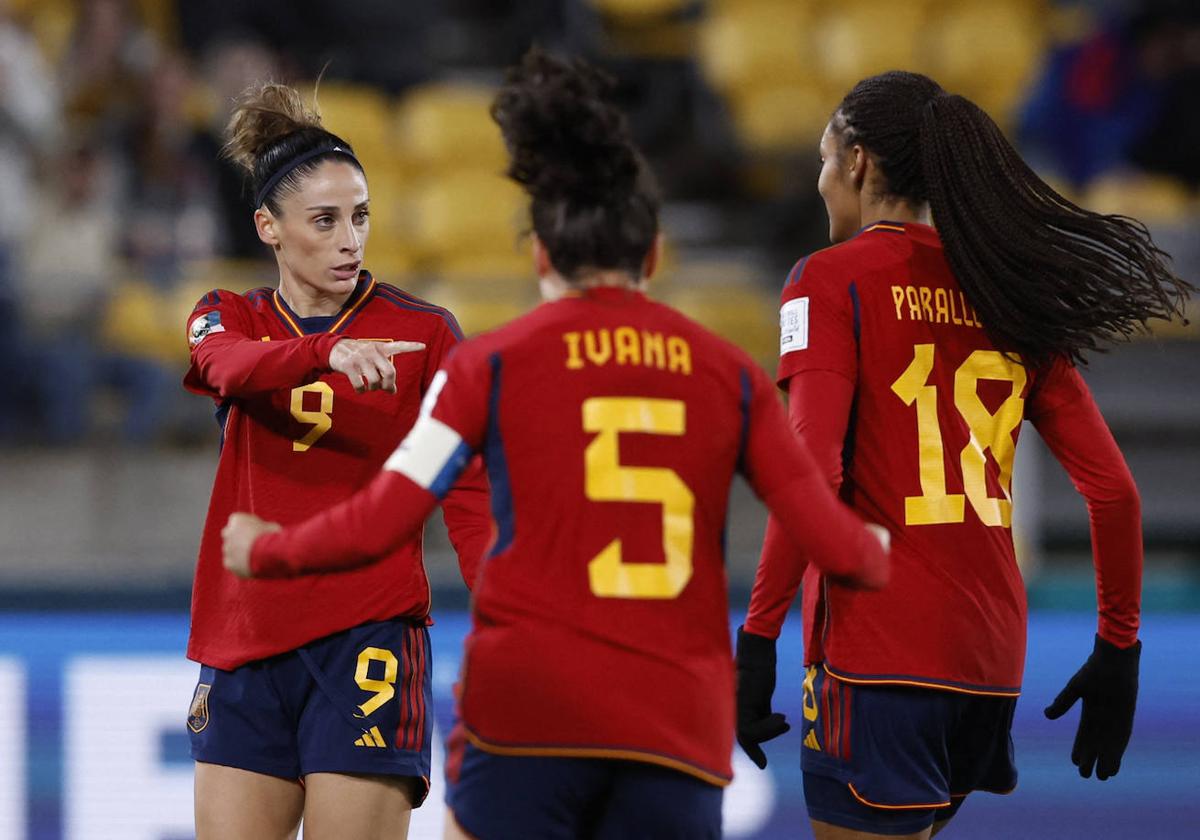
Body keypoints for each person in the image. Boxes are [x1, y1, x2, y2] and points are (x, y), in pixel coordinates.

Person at [220, 48, 891, 840]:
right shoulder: (728, 374)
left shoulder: (488, 365)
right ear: (653, 256)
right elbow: (831, 540)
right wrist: (873, 548)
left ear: (540, 256)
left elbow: (385, 515)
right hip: (673, 722)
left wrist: (269, 552)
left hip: (525, 715)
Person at [735, 70, 1193, 840]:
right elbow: (1114, 492)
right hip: (987, 665)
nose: (819, 182)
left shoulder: (826, 281)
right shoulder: (1005, 290)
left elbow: (814, 473)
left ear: (857, 163)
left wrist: (755, 638)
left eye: (823, 159)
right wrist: (1118, 648)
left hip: (875, 655)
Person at [183, 81, 492, 840]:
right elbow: (225, 368)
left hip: (369, 639)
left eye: (360, 216)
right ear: (269, 227)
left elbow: (471, 496)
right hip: (245, 639)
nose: (350, 239)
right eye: (325, 221)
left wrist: (503, 624)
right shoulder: (230, 315)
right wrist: (326, 352)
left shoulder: (426, 332)